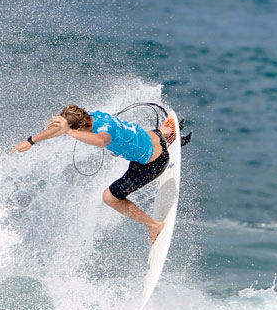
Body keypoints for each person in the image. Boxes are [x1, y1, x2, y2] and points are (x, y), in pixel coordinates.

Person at [11, 104, 182, 243]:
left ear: (77, 127)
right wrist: (31, 141)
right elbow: (58, 129)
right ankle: (165, 134)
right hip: (151, 140)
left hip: (152, 164)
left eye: (70, 130)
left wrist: (69, 132)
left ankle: (153, 225)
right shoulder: (91, 116)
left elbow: (103, 141)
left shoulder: (101, 130)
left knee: (109, 198)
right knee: (130, 142)